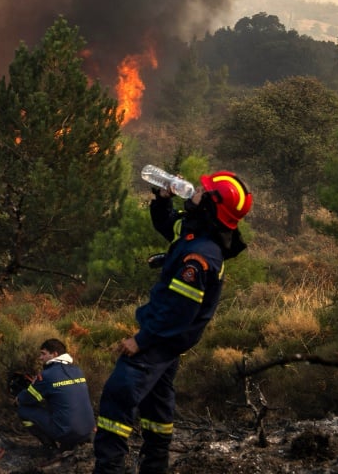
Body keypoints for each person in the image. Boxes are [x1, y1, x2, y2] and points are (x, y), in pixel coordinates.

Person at [93, 171, 253, 474]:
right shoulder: (199, 231)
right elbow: (169, 225)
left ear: (210, 203)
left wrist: (141, 340)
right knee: (156, 408)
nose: (195, 190)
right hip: (167, 343)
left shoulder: (200, 257)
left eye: (202, 190)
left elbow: (178, 312)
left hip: (158, 340)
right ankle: (155, 468)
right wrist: (162, 199)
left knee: (118, 396)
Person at [13, 339, 95, 450]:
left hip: (66, 433)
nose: (40, 357)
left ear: (55, 354)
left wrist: (19, 397)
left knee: (23, 410)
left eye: (43, 354)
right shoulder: (77, 371)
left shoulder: (46, 375)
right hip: (88, 430)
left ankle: (50, 448)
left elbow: (28, 399)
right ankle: (74, 441)